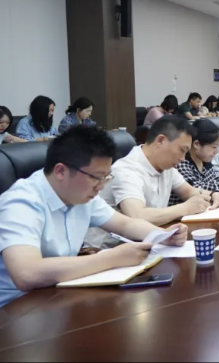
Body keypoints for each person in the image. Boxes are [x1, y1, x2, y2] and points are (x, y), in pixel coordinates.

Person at [0, 126, 188, 308]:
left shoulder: (81, 194)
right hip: (16, 309)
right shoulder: (21, 202)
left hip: (58, 295)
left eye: (106, 177)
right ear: (61, 171)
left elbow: (124, 224)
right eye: (97, 177)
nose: (101, 186)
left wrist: (163, 235)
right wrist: (112, 258)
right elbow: (26, 273)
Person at [100, 115, 219, 226]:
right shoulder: (127, 170)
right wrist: (185, 208)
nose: (183, 159)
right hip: (111, 247)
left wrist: (213, 195)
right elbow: (137, 216)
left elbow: (189, 191)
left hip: (151, 237)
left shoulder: (166, 166)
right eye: (182, 150)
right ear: (160, 141)